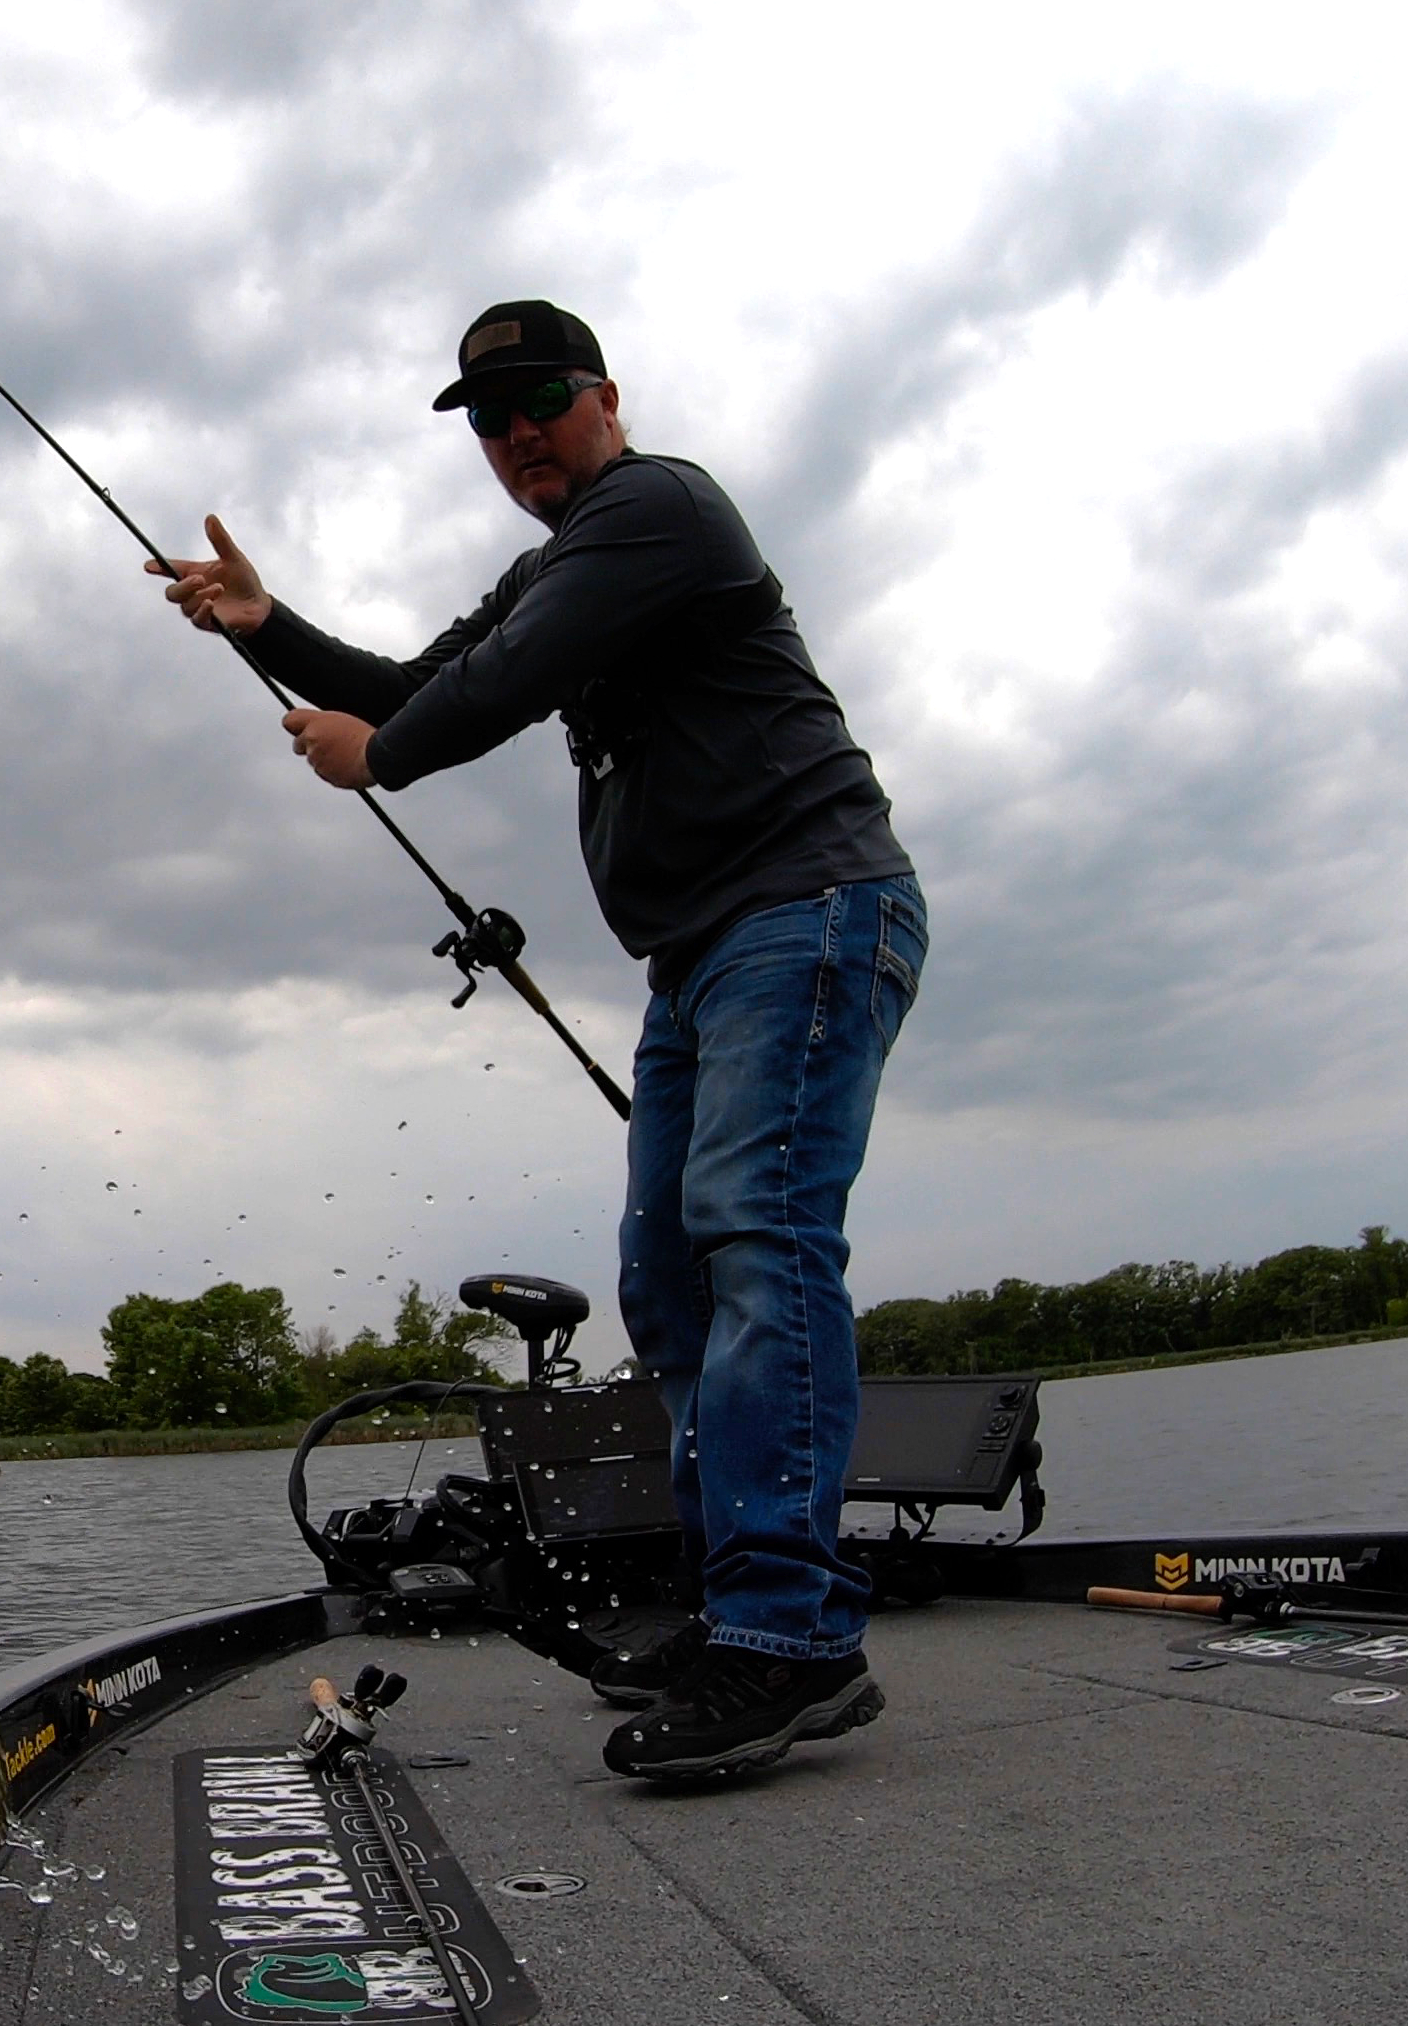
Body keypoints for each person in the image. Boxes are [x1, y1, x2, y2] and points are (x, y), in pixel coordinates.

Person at [150, 300, 924, 1780]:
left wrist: (379, 758)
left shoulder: (659, 508)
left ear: (605, 397)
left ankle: (789, 1635)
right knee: (670, 1278)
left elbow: (472, 703)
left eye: (538, 404)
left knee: (758, 1237)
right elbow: (422, 680)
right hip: (699, 956)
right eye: (489, 423)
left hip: (810, 910)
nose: (515, 440)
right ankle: (755, 1611)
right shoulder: (552, 567)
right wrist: (268, 629)